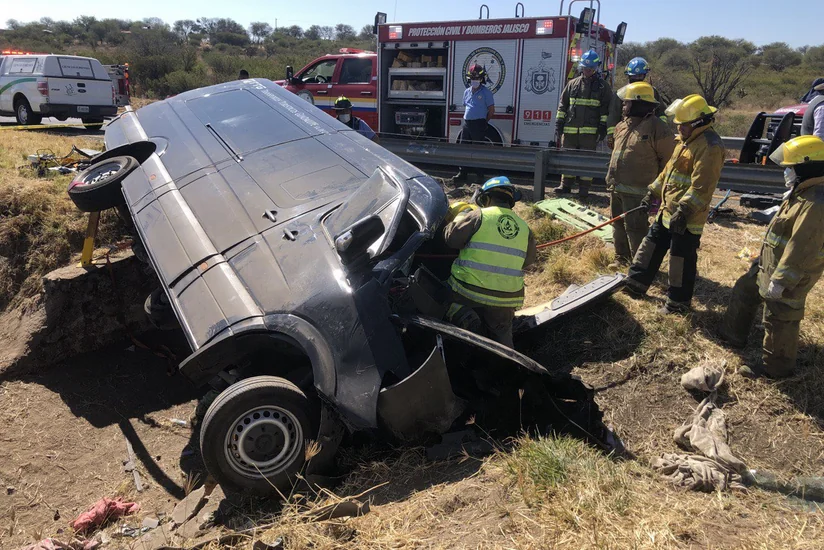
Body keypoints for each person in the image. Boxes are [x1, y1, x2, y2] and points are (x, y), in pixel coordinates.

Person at [719, 135, 824, 379]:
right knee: (746, 289)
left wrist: (783, 280)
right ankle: (732, 335)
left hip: (791, 272)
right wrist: (762, 259)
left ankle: (776, 369)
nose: (786, 172)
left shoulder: (817, 202)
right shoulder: (801, 191)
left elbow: (802, 247)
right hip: (771, 264)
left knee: (781, 316)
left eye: (791, 167)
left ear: (808, 166)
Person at [624, 94, 725, 314]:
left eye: (682, 125)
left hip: (687, 218)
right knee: (650, 246)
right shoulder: (685, 142)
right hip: (668, 211)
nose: (678, 128)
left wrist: (685, 210)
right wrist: (652, 193)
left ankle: (678, 303)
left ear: (698, 122)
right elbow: (668, 173)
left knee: (681, 259)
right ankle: (635, 284)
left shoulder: (709, 147)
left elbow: (703, 187)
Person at [444, 177, 537, 347]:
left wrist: (463, 214)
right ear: (510, 201)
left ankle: (462, 314)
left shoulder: (477, 215)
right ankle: (509, 364)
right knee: (503, 334)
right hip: (506, 299)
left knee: (438, 294)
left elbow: (451, 240)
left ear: (485, 198)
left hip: (467, 292)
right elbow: (528, 261)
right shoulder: (525, 228)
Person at [606, 82, 675, 268]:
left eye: (627, 103)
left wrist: (657, 191)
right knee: (618, 225)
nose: (623, 106)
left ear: (639, 103)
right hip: (617, 187)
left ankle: (640, 266)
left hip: (639, 191)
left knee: (636, 229)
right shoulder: (622, 125)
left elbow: (668, 162)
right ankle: (621, 258)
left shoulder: (658, 129)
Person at [555, 49, 612, 198]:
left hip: (590, 132)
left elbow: (606, 109)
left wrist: (602, 127)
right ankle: (565, 185)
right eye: (586, 68)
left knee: (587, 160)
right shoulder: (572, 84)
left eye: (591, 69)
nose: (588, 71)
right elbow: (563, 105)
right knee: (567, 158)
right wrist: (559, 123)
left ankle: (584, 189)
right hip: (570, 130)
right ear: (581, 67)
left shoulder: (603, 87)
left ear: (596, 68)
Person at [607, 57, 669, 148]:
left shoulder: (652, 91)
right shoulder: (620, 93)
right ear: (628, 76)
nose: (637, 78)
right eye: (634, 76)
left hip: (648, 133)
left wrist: (661, 129)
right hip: (625, 131)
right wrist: (610, 136)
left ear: (644, 75)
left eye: (639, 76)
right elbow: (613, 115)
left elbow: (661, 113)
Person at [457, 64, 495, 182]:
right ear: (469, 79)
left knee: (477, 149)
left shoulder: (486, 93)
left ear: (482, 79)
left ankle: (479, 175)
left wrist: (484, 121)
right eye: (473, 79)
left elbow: (491, 111)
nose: (475, 81)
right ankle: (462, 173)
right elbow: (467, 106)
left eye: (477, 79)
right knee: (464, 148)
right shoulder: (466, 92)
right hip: (467, 123)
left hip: (479, 123)